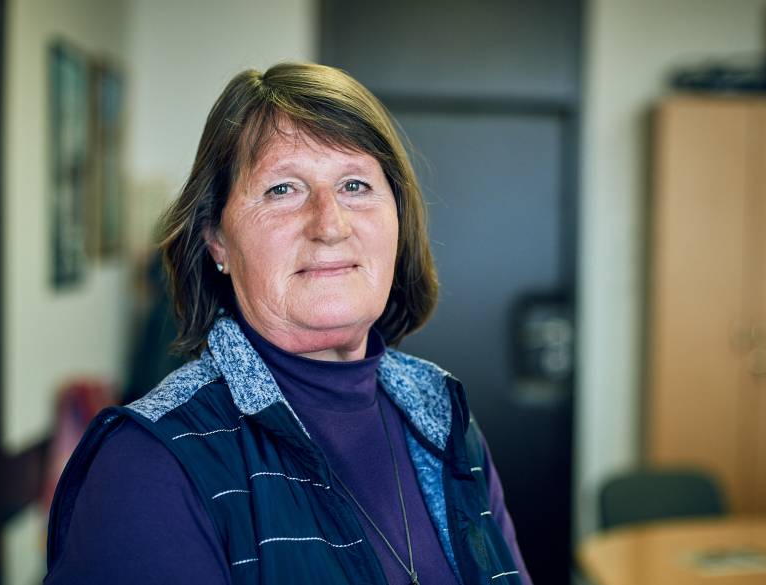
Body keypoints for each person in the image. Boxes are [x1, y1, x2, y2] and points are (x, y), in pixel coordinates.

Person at [45, 62, 532, 585]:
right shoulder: (149, 464)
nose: (330, 224)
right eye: (282, 189)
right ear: (217, 241)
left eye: (354, 185)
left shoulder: (441, 416)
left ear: (399, 218)